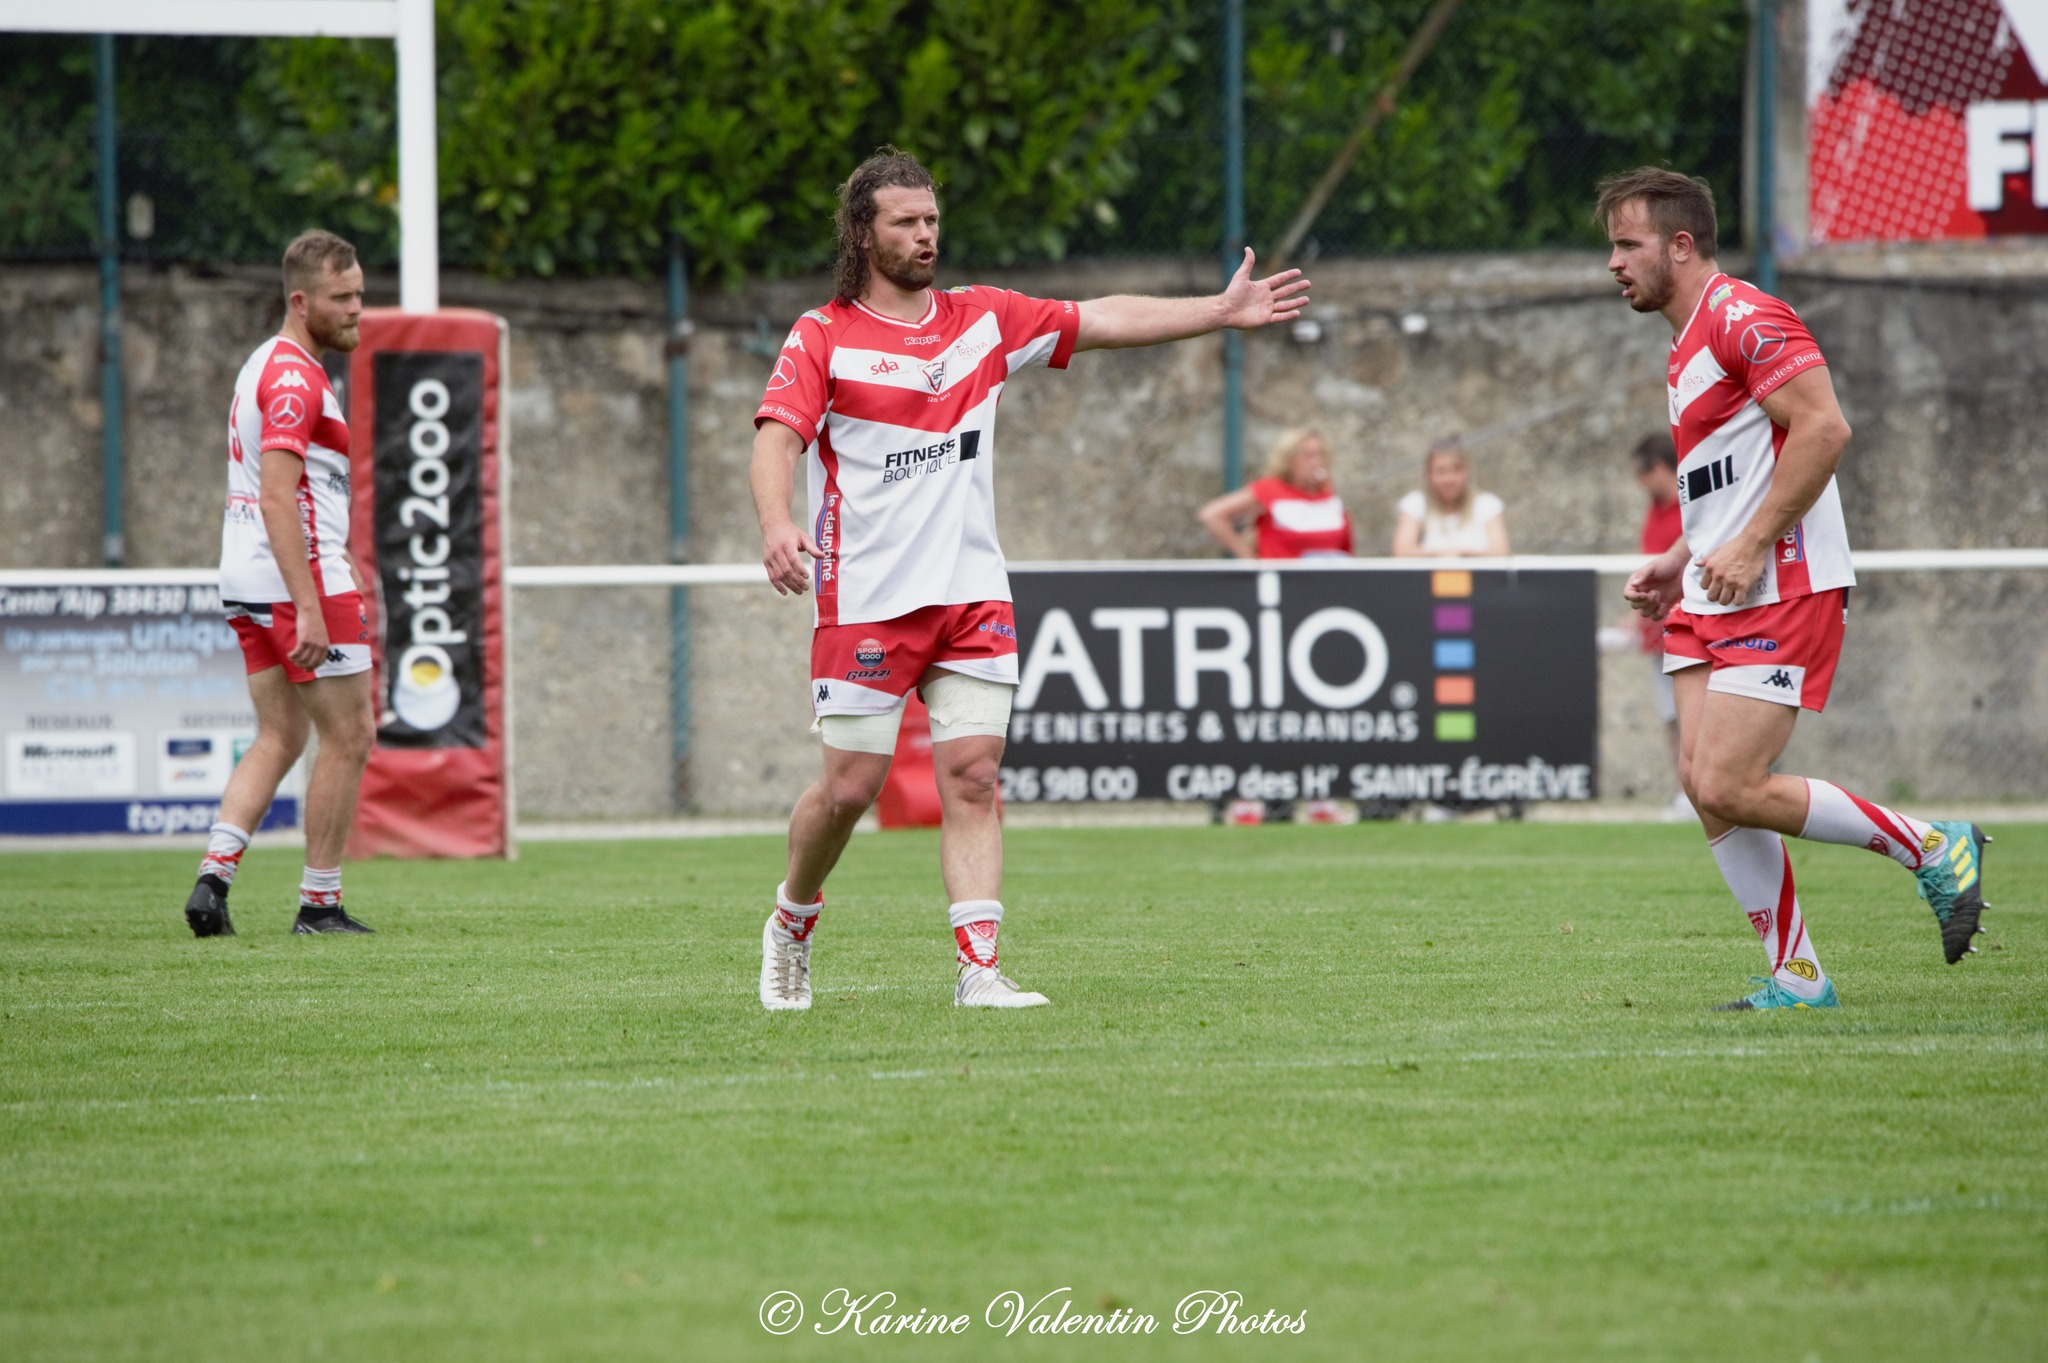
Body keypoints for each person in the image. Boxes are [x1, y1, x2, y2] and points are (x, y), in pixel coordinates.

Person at [750, 148, 1309, 1010]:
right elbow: (777, 438)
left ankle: (979, 969)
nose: (926, 234)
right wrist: (776, 522)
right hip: (865, 597)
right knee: (851, 787)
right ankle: (793, 917)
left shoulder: (984, 320)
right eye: (906, 222)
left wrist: (1218, 311)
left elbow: (1102, 317)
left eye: (932, 219)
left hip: (972, 592)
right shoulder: (823, 334)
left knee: (974, 776)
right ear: (862, 233)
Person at [1600, 166, 1989, 1011]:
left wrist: (1748, 546)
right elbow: (1731, 478)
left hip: (1782, 580)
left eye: (1628, 244)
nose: (1614, 263)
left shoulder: (1746, 316)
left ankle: (1932, 844)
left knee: (1732, 782)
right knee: (1704, 785)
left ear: (1680, 244)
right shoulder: (1686, 341)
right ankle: (1797, 977)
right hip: (1715, 583)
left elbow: (1824, 427)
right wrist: (1678, 557)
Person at [182, 230, 376, 938]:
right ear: (300, 301)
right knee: (350, 734)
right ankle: (319, 904)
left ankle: (212, 881)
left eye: (359, 294)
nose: (356, 309)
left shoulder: (263, 361)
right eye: (341, 297)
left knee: (280, 733)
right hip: (298, 578)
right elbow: (277, 496)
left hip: (244, 573)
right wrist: (309, 607)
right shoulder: (296, 379)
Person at [1631, 432, 1690, 819]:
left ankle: (1702, 790)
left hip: (1692, 628)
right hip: (1659, 632)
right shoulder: (1655, 510)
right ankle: (1683, 794)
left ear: (1656, 468)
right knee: (1672, 716)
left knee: (1695, 714)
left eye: (1641, 473)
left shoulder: (1691, 507)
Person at [1197, 428, 1352, 559]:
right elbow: (1212, 515)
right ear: (1289, 460)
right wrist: (1247, 556)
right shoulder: (1270, 489)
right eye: (1308, 456)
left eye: (1321, 454)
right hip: (1283, 580)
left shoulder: (1328, 495)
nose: (1316, 462)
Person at [1391, 439, 1509, 556]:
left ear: (1467, 473)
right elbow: (1402, 553)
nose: (1449, 479)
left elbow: (1500, 552)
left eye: (1456, 470)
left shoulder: (1487, 505)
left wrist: (1460, 554)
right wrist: (1446, 555)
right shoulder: (1415, 504)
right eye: (1441, 472)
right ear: (1428, 474)